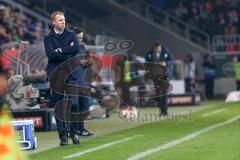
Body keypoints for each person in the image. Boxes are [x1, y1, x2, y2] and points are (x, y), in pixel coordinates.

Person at [44, 11, 80, 146]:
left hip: (71, 74)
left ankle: (74, 132)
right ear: (53, 22)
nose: (63, 22)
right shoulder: (48, 38)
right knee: (58, 106)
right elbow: (51, 55)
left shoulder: (71, 34)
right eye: (60, 20)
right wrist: (67, 51)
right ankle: (63, 136)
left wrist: (59, 50)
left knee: (73, 103)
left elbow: (75, 49)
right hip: (56, 75)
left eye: (64, 20)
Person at [72, 27, 94, 136]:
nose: (80, 39)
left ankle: (81, 129)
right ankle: (74, 130)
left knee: (84, 107)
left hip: (83, 82)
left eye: (81, 37)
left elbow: (85, 62)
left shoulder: (82, 47)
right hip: (73, 81)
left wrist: (89, 61)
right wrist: (82, 61)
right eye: (78, 37)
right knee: (75, 106)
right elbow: (74, 62)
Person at [145, 41, 173, 116]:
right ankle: (161, 109)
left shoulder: (166, 51)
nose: (157, 50)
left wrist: (165, 63)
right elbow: (146, 63)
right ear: (154, 48)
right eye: (156, 49)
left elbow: (171, 61)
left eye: (158, 48)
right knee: (158, 94)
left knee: (164, 92)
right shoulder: (149, 53)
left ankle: (165, 110)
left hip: (164, 75)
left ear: (160, 46)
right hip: (155, 76)